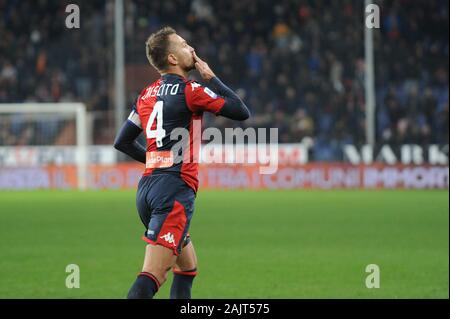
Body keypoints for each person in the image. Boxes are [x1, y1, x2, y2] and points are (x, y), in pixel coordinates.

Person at [114, 26, 250, 299]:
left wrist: (157, 161)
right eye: (185, 44)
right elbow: (240, 111)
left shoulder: (146, 94)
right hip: (174, 192)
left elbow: (123, 141)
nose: (192, 49)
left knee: (187, 267)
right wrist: (211, 77)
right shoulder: (192, 90)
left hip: (148, 190)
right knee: (152, 275)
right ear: (173, 59)